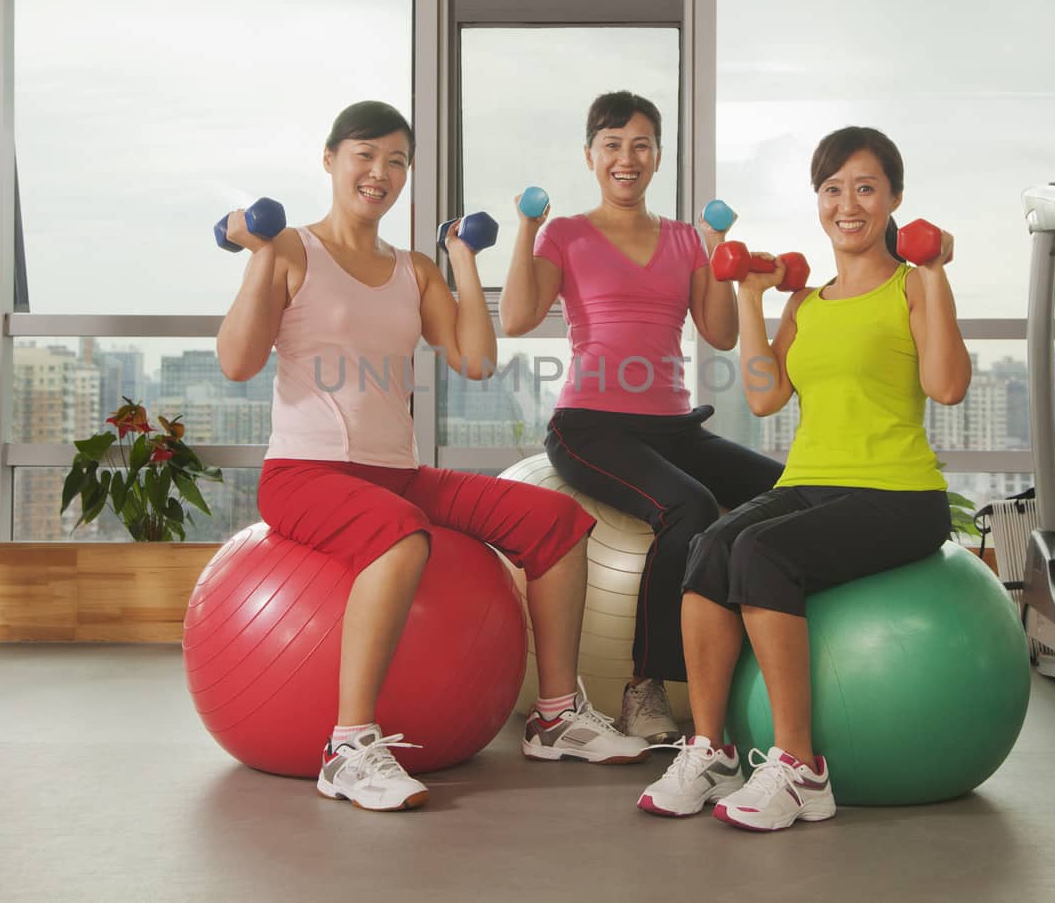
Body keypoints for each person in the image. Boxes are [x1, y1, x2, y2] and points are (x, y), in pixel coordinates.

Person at [216, 100, 647, 814]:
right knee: (398, 537)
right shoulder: (293, 248)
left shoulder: (412, 269)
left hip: (399, 471)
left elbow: (476, 358)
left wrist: (462, 261)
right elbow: (237, 362)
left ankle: (555, 716)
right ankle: (348, 746)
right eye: (364, 155)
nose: (379, 172)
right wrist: (260, 250)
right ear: (330, 160)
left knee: (555, 522)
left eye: (396, 161)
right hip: (304, 473)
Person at [636, 125, 971, 831]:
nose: (847, 203)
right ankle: (712, 746)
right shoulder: (807, 302)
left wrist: (938, 275)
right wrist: (754, 299)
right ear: (818, 200)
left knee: (762, 554)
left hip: (899, 493)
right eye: (832, 188)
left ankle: (800, 766)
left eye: (865, 187)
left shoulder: (913, 286)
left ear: (895, 198)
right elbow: (764, 395)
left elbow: (946, 386)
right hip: (812, 481)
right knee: (708, 547)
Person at [499, 90, 786, 743]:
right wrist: (523, 228)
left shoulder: (686, 239)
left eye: (640, 145)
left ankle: (765, 652)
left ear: (658, 156)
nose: (626, 158)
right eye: (612, 145)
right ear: (591, 155)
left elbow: (715, 329)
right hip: (589, 424)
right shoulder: (565, 233)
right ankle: (645, 687)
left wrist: (717, 249)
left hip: (672, 426)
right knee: (688, 506)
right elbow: (516, 316)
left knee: (786, 489)